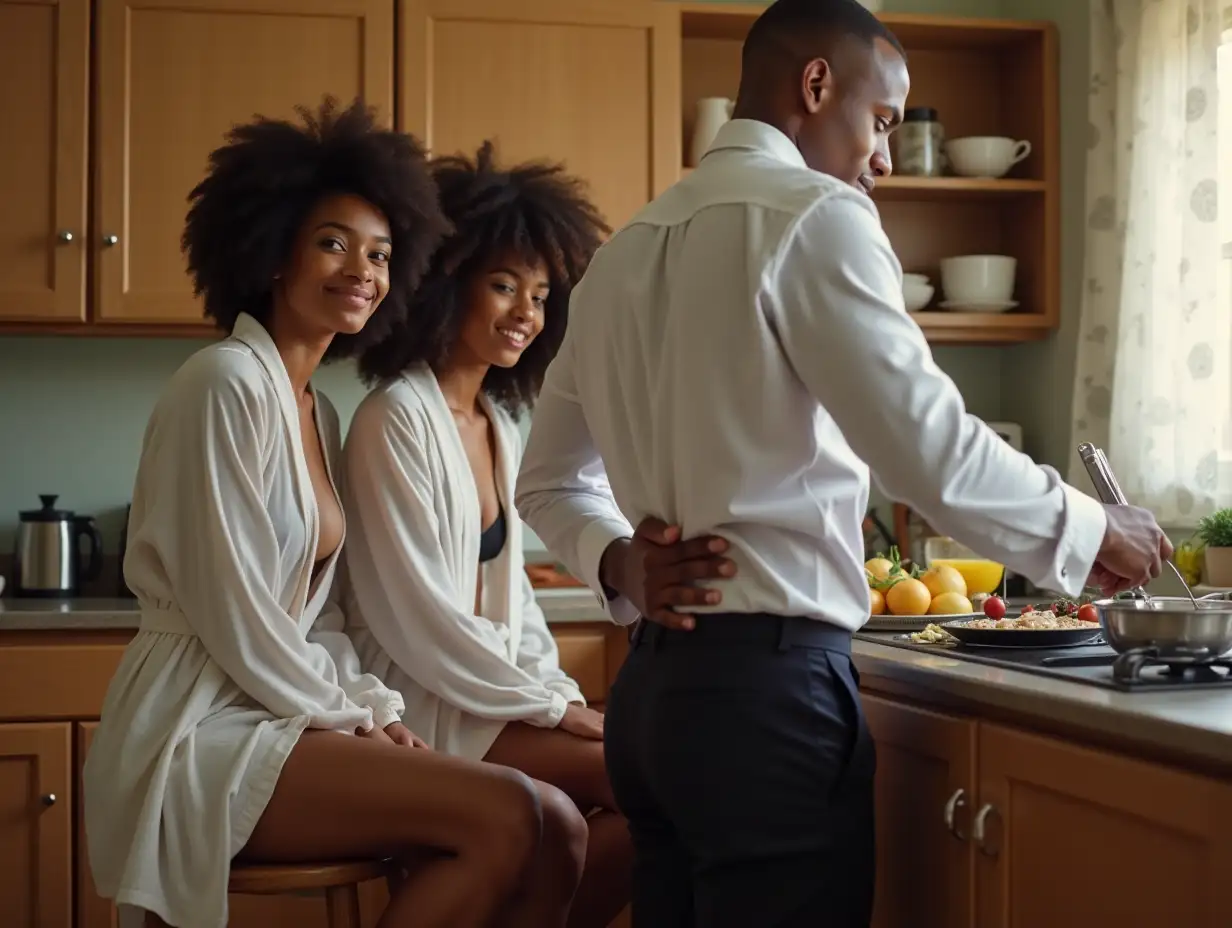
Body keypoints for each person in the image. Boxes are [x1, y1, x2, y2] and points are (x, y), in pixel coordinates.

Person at [514, 1, 1173, 926]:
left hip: (653, 699)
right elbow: (929, 452)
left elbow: (545, 481)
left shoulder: (621, 257)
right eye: (883, 120)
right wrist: (1098, 526)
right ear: (816, 84)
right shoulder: (818, 217)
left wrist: (619, 563)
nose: (886, 158)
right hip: (768, 700)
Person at [83, 99, 590, 928]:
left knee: (540, 822)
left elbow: (323, 619)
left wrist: (369, 707)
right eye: (333, 242)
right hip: (198, 726)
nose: (363, 268)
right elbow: (236, 617)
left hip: (279, 709)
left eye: (382, 254)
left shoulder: (316, 411)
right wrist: (352, 712)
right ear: (272, 249)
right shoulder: (224, 383)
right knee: (512, 814)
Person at [341, 141, 650, 928]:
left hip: (485, 695)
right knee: (651, 778)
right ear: (448, 285)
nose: (527, 314)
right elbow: (419, 621)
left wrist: (556, 695)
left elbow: (515, 608)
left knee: (636, 811)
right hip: (425, 699)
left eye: (543, 296)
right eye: (504, 285)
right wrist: (550, 711)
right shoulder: (393, 422)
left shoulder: (500, 424)